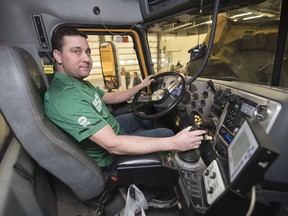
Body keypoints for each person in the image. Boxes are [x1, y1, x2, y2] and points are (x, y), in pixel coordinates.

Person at [44, 26, 207, 170]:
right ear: (58, 56)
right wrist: (175, 142)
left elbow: (112, 97)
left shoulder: (78, 84)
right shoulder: (65, 97)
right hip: (110, 155)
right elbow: (112, 144)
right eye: (76, 51)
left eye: (87, 52)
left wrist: (141, 85)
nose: (86, 59)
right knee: (167, 132)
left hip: (114, 126)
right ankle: (167, 171)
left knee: (144, 114)